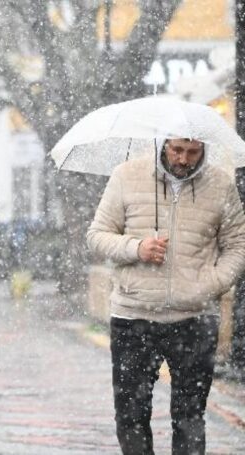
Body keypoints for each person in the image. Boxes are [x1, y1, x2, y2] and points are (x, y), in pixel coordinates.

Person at [87, 138, 245, 454]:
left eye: (192, 152)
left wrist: (212, 283)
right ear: (163, 143)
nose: (183, 159)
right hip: (134, 317)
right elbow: (97, 236)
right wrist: (136, 248)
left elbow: (237, 245)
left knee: (189, 416)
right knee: (131, 415)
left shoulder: (220, 184)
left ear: (203, 148)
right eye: (177, 150)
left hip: (195, 318)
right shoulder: (126, 176)